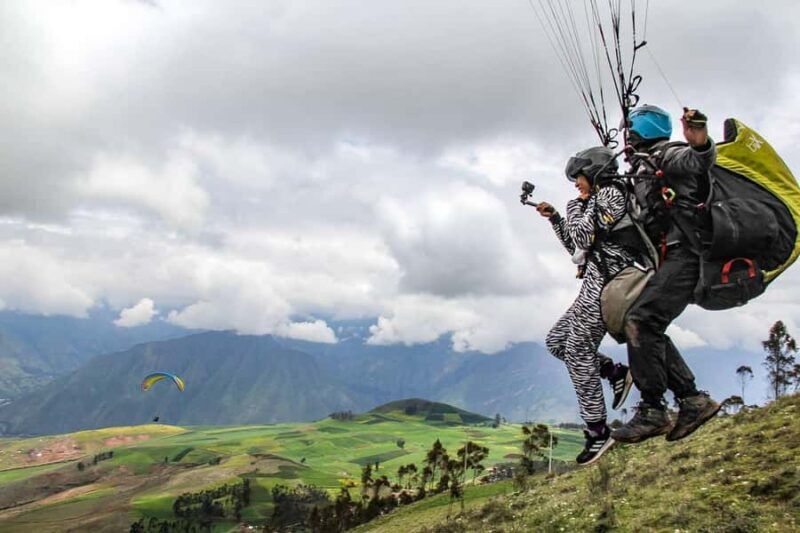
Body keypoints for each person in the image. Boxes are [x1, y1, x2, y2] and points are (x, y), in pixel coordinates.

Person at [611, 105, 721, 444]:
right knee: (645, 323)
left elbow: (698, 160)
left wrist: (700, 142)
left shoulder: (666, 154)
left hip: (687, 255)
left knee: (640, 321)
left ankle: (654, 410)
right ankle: (691, 399)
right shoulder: (644, 167)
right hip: (674, 257)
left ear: (641, 130)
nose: (626, 139)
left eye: (630, 132)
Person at [536, 146, 635, 465]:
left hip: (608, 284)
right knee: (556, 342)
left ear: (594, 172)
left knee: (578, 350)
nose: (576, 185)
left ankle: (598, 431)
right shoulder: (596, 199)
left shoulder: (611, 196)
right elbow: (578, 247)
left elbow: (581, 237)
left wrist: (574, 206)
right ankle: (614, 371)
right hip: (594, 281)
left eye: (578, 178)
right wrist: (556, 219)